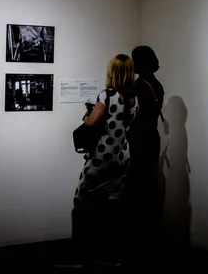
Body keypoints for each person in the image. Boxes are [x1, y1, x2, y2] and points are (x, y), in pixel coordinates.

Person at [56, 54, 139, 269]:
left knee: (81, 202)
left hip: (102, 157)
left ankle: (78, 255)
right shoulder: (132, 98)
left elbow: (91, 124)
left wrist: (87, 114)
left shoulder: (107, 96)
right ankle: (109, 254)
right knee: (111, 205)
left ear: (112, 72)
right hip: (122, 157)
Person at [125, 45, 165, 262]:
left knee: (137, 184)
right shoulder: (156, 84)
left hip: (139, 138)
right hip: (152, 137)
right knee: (148, 183)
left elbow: (130, 110)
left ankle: (138, 239)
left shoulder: (139, 84)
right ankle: (150, 237)